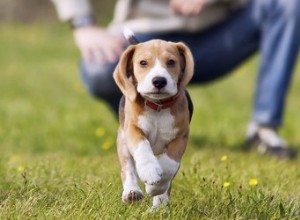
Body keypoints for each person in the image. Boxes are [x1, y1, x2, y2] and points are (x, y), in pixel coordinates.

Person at [51, 0, 300, 159]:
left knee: (288, 4)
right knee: (97, 71)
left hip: (219, 35)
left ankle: (263, 130)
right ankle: (137, 124)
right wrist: (82, 23)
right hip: (142, 28)